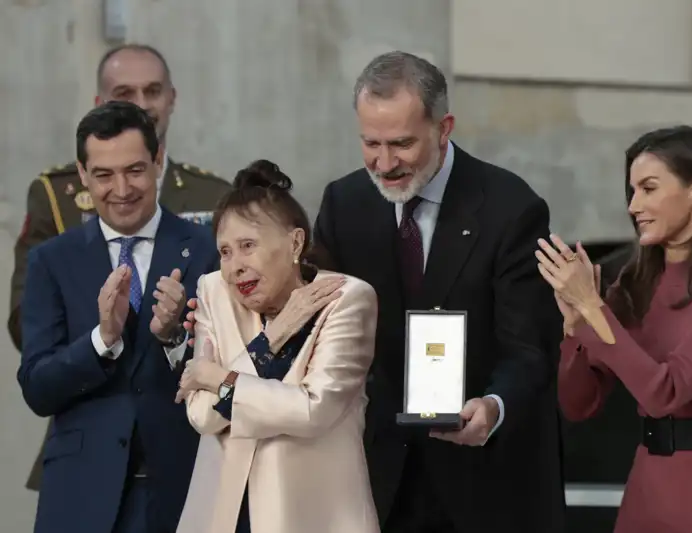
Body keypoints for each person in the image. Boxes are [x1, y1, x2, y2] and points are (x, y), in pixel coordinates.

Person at [312, 51, 565, 533]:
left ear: (443, 128)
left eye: (402, 144)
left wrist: (494, 406)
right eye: (371, 143)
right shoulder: (344, 204)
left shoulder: (511, 208)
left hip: (481, 484)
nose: (384, 164)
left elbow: (529, 347)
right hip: (378, 481)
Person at [11, 42, 231, 492]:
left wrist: (175, 337)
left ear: (155, 163)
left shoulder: (209, 238)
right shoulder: (53, 246)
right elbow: (35, 372)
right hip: (83, 478)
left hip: (186, 473)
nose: (122, 189)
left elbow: (240, 366)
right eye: (104, 175)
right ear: (84, 174)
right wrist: (101, 339)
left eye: (134, 171)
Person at [536, 125, 692, 532]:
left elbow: (666, 391)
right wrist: (575, 326)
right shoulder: (633, 283)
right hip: (646, 489)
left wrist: (594, 308)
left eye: (648, 188)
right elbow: (577, 406)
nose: (633, 206)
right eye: (631, 191)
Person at [173, 159, 380, 533]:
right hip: (224, 517)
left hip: (314, 516)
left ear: (295, 242)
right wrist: (271, 338)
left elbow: (313, 410)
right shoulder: (214, 292)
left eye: (247, 246)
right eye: (225, 251)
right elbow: (203, 416)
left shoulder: (347, 299)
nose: (234, 266)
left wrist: (218, 376)